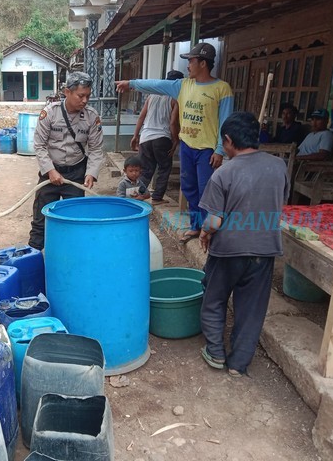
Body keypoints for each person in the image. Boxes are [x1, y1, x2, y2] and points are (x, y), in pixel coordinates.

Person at [198, 111, 289, 377]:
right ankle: (238, 364)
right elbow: (278, 203)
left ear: (228, 140)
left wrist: (204, 233)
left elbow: (214, 221)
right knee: (251, 309)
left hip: (228, 251)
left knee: (214, 299)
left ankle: (215, 352)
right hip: (264, 248)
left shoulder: (224, 173)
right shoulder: (278, 166)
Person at [116, 42, 234, 243]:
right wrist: (131, 83)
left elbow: (226, 121)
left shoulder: (222, 89)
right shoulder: (182, 86)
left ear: (203, 63)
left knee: (206, 189)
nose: (188, 65)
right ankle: (196, 226)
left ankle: (209, 230)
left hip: (207, 149)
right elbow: (156, 84)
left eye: (191, 61)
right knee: (189, 187)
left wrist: (220, 150)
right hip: (187, 145)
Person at [28, 71, 104, 250]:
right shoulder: (50, 113)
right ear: (66, 92)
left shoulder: (92, 117)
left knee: (75, 221)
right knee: (40, 222)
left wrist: (91, 173)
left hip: (76, 174)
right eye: (81, 96)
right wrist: (50, 170)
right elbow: (39, 145)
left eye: (88, 96)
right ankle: (33, 259)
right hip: (50, 173)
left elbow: (96, 149)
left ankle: (71, 259)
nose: (85, 100)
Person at [131, 70, 183, 205]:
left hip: (146, 137)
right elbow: (172, 123)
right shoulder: (174, 99)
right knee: (164, 168)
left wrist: (136, 135)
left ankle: (135, 195)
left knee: (146, 169)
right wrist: (175, 140)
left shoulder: (151, 96)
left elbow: (142, 116)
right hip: (162, 138)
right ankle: (157, 197)